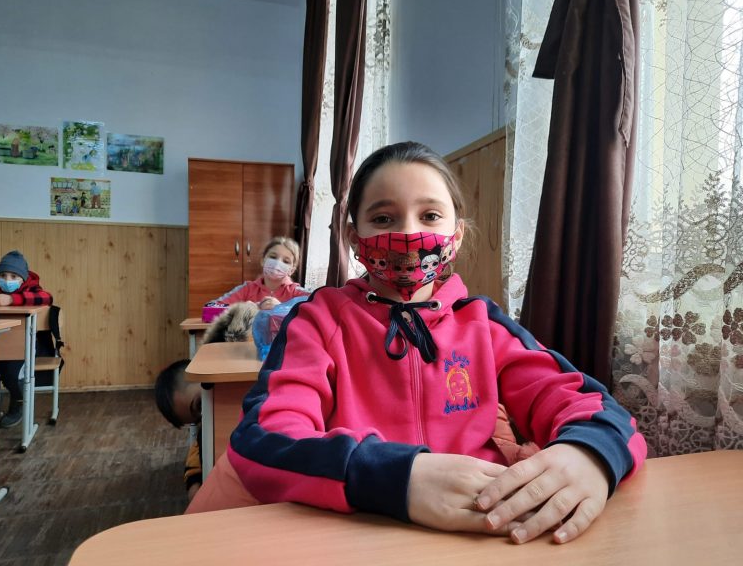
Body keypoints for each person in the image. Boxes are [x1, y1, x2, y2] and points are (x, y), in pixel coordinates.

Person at [187, 141, 647, 544]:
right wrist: (398, 477)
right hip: (354, 531)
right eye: (383, 218)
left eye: (429, 216)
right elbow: (266, 439)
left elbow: (592, 407)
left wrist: (590, 454)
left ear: (456, 235)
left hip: (479, 532)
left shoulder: (484, 325)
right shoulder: (319, 320)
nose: (408, 234)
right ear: (353, 237)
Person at [0, 250, 53, 428]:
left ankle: (18, 401)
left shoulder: (31, 287)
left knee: (11, 373)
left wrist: (11, 299)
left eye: (14, 276)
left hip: (23, 346)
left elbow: (46, 297)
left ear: (23, 278)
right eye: (3, 275)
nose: (7, 280)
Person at [205, 237, 310, 312]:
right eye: (273, 257)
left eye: (286, 261)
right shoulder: (247, 289)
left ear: (292, 270)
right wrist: (242, 309)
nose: (278, 263)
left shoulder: (297, 292)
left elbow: (318, 312)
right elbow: (209, 309)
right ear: (262, 260)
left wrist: (281, 308)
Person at [154, 359, 203, 502]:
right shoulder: (206, 434)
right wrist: (194, 481)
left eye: (200, 404)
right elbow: (196, 447)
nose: (206, 418)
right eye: (198, 420)